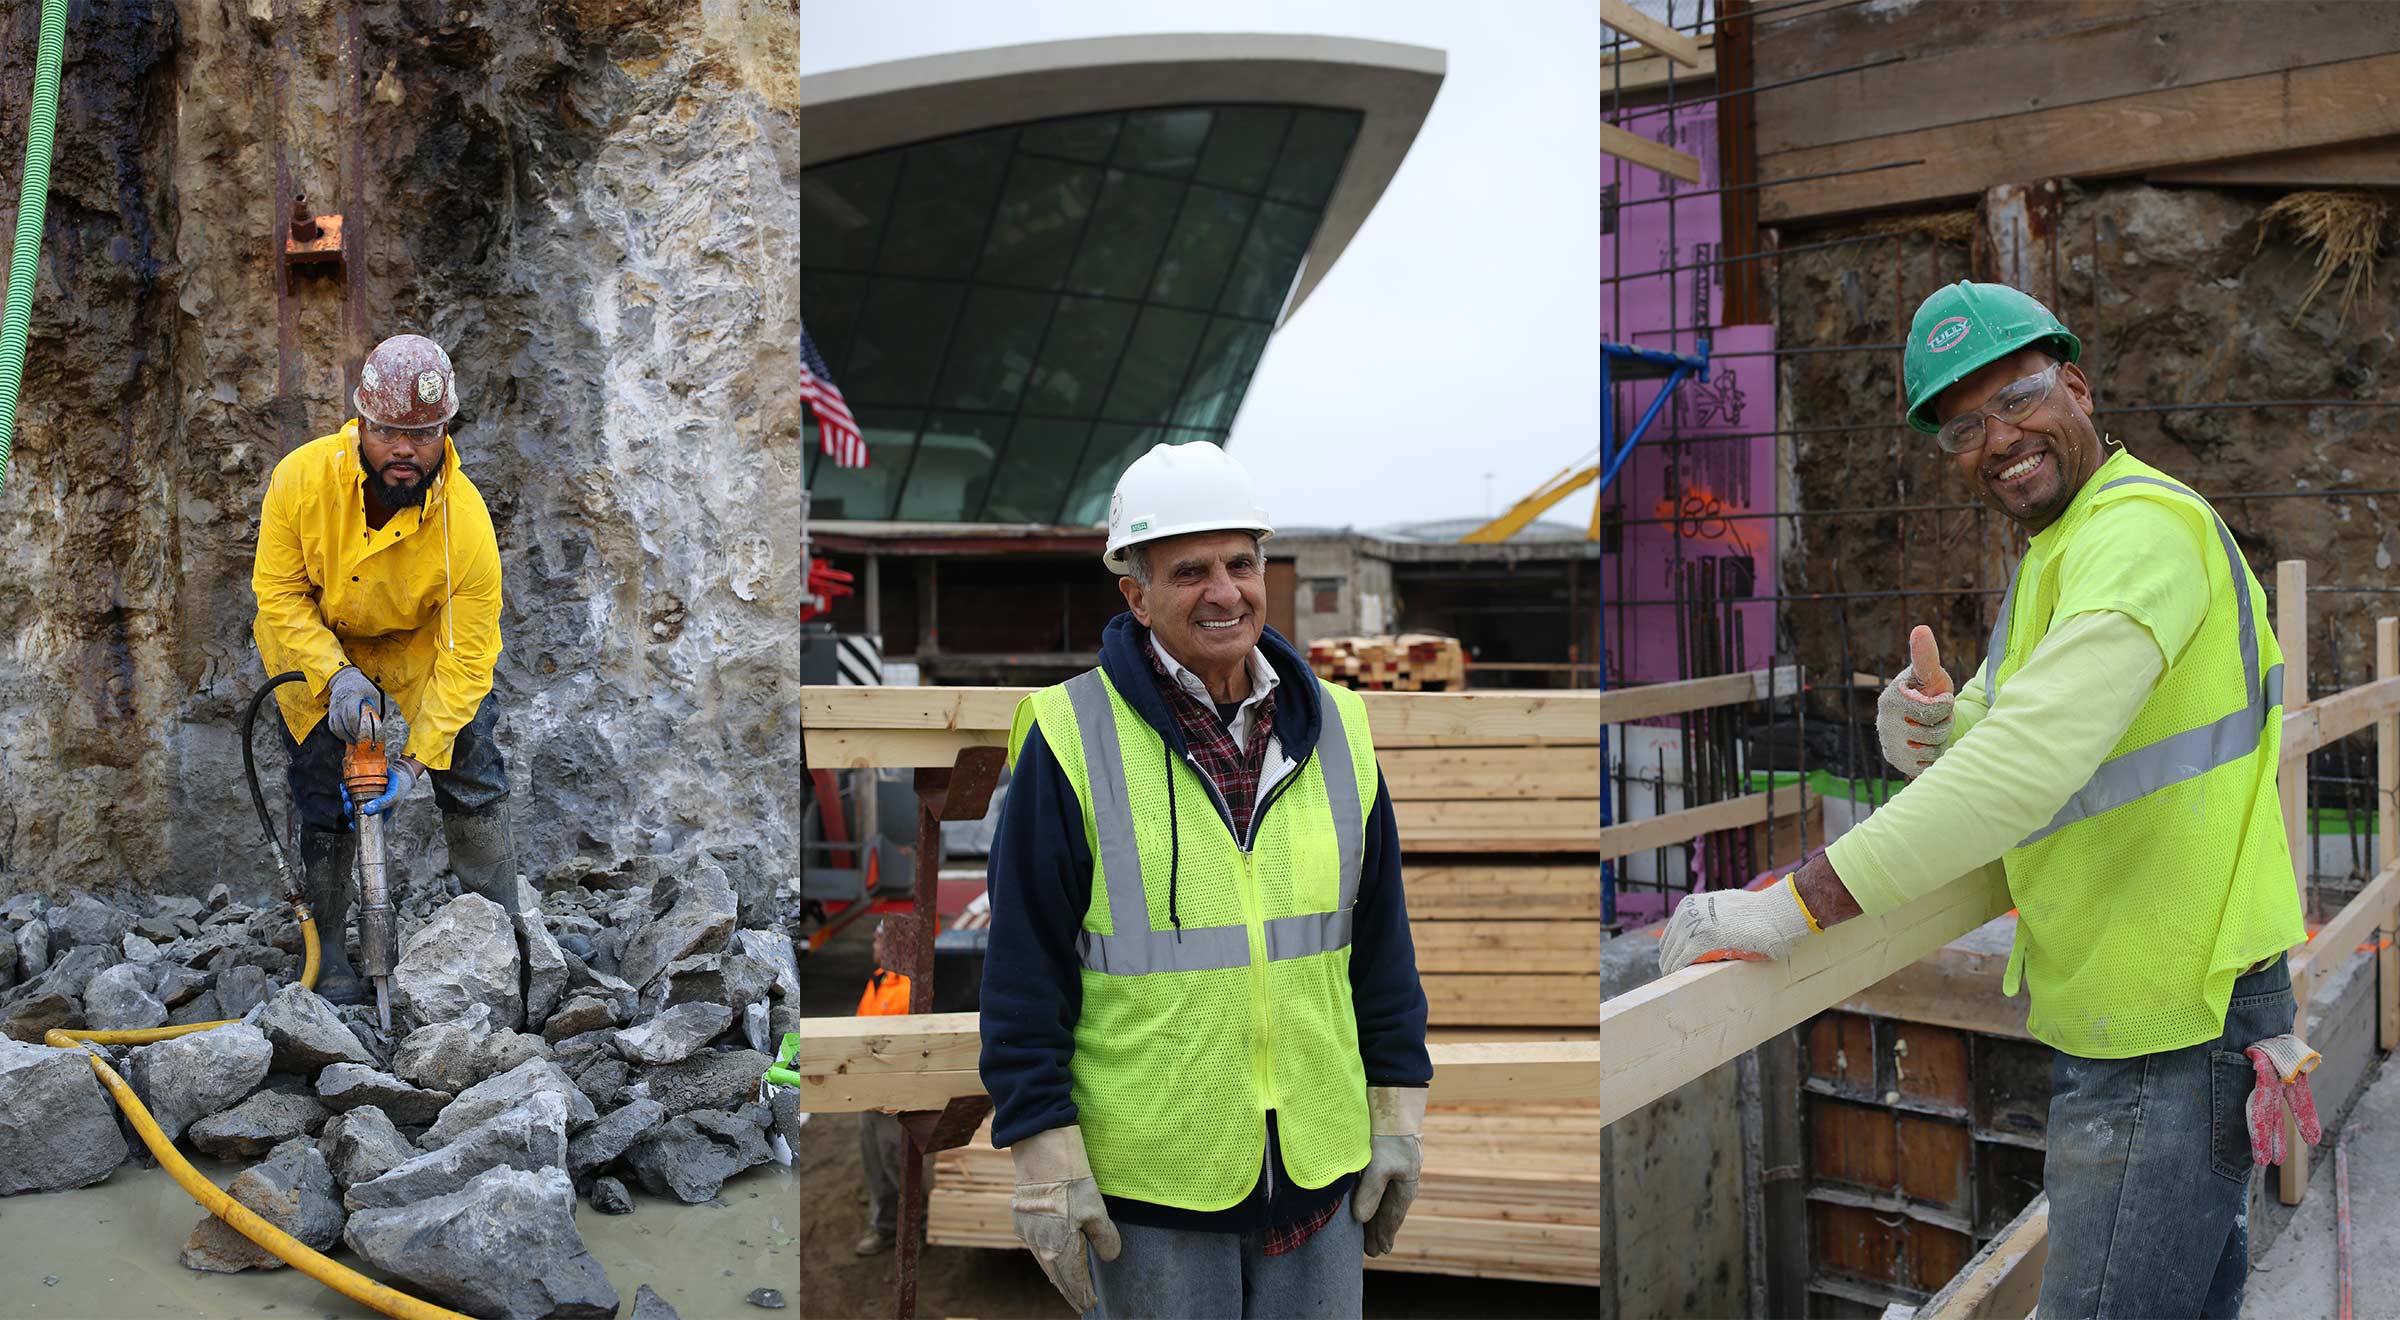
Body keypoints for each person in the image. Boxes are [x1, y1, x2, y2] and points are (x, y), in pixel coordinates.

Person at [1658, 281, 2323, 1319]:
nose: (1999, 437)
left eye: (2017, 396)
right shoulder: (2065, 549)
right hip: (2159, 996)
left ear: (2078, 385)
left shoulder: (2141, 533)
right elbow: (2024, 731)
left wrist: (1793, 904)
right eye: (1966, 425)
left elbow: (2026, 765)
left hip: (2167, 1023)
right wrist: (1935, 727)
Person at [978, 441, 1431, 1319]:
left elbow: (1380, 947)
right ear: (1135, 593)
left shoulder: (1340, 728)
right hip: (1153, 1185)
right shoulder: (1071, 736)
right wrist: (1043, 1155)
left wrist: (1397, 1115)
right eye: (1190, 570)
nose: (1224, 591)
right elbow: (1023, 970)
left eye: (1241, 563)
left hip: (1321, 1163)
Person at [251, 333, 513, 1005]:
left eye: (423, 432)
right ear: (361, 423)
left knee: (472, 762)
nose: (405, 448)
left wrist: (414, 763)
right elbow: (279, 595)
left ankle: (501, 934)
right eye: (389, 430)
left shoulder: (467, 524)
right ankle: (331, 948)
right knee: (321, 783)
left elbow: (467, 654)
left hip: (419, 643)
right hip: (321, 637)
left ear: (444, 431)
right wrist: (331, 674)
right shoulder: (301, 481)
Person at [854, 919, 925, 1256]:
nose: (874, 947)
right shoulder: (878, 982)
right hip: (868, 1092)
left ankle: (917, 1231)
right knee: (874, 1163)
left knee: (898, 1164)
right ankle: (885, 1229)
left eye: (877, 940)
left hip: (894, 1099)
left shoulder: (909, 989)